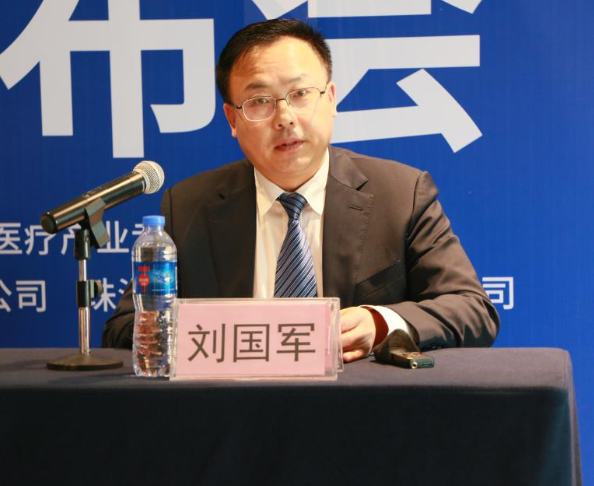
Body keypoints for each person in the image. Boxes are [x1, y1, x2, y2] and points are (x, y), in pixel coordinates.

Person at [102, 19, 499, 361]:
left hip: (363, 410)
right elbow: (124, 328)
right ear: (232, 120)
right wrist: (212, 335)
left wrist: (380, 323)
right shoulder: (190, 205)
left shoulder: (400, 194)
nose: (285, 117)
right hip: (231, 410)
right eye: (260, 101)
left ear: (331, 99)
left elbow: (472, 309)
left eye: (300, 94)